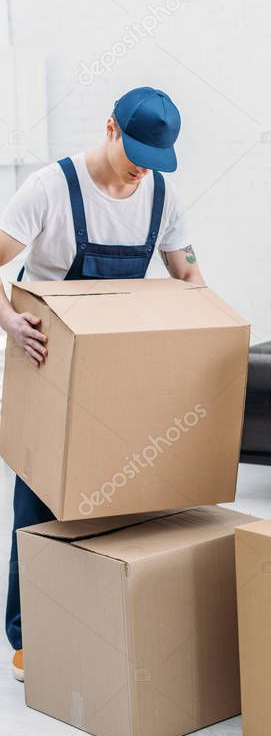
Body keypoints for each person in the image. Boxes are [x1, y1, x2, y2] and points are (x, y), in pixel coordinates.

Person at [0, 87, 204, 682]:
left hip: (118, 366)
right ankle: (27, 636)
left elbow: (186, 271)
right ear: (110, 127)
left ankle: (102, 616)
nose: (142, 169)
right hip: (48, 363)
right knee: (41, 500)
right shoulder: (50, 189)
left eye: (155, 158)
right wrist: (10, 321)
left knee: (121, 494)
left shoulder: (163, 196)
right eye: (135, 151)